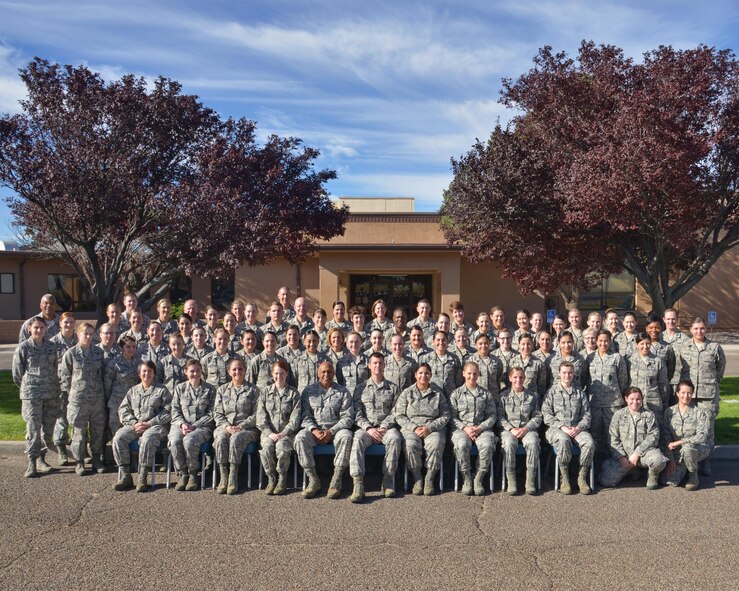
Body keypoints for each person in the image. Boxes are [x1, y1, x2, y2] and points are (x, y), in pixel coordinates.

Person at [295, 362, 354, 499]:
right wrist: (314, 430)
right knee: (300, 438)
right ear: (318, 374)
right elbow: (304, 415)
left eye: (329, 372)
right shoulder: (308, 391)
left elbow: (348, 417)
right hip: (314, 431)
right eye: (323, 372)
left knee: (346, 436)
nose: (326, 375)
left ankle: (336, 481)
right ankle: (313, 480)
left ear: (334, 374)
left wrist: (331, 431)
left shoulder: (343, 391)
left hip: (335, 430)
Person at [13, 316, 61, 477]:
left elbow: (55, 369)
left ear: (46, 329)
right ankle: (32, 462)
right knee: (33, 429)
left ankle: (42, 459)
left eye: (42, 327)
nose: (39, 330)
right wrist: (29, 386)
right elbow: (17, 374)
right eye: (36, 328)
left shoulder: (51, 347)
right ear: (29, 329)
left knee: (47, 429)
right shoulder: (24, 348)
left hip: (50, 394)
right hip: (32, 395)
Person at [111, 360, 171, 492]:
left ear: (154, 373)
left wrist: (149, 423)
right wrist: (134, 423)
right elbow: (123, 410)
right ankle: (126, 476)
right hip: (136, 425)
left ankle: (142, 477)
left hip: (156, 426)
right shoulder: (133, 391)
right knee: (118, 438)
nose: (147, 373)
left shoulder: (162, 390)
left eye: (150, 371)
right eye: (144, 371)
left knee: (147, 439)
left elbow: (168, 411)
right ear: (139, 373)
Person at [349, 352, 402, 501]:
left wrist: (384, 427)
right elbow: (357, 413)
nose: (377, 366)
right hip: (367, 429)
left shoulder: (393, 388)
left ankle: (388, 480)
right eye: (374, 363)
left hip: (386, 429)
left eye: (380, 363)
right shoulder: (361, 388)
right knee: (357, 439)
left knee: (395, 438)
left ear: (384, 365)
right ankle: (358, 483)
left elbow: (396, 412)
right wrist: (369, 429)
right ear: (369, 365)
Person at [677, 317, 725, 475]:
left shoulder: (714, 347)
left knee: (708, 429)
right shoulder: (684, 347)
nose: (699, 331)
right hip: (688, 396)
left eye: (702, 328)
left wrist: (710, 383)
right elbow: (678, 368)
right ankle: (690, 460)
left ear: (706, 329)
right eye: (696, 328)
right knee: (690, 428)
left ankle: (706, 460)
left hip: (707, 396)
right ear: (690, 330)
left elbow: (720, 369)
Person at [394, 363, 451, 496]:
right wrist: (414, 428)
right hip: (412, 428)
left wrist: (430, 428)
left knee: (436, 444)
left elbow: (446, 415)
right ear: (415, 375)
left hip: (432, 428)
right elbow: (399, 415)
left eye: (426, 373)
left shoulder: (437, 393)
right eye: (420, 373)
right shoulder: (407, 393)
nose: (423, 376)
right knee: (410, 444)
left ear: (430, 375)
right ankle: (418, 477)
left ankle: (429, 478)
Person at [599, 387, 667, 490]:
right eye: (632, 399)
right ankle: (632, 471)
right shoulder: (619, 415)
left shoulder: (648, 415)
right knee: (606, 481)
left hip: (643, 455)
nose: (635, 402)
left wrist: (637, 453)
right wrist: (621, 457)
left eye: (638, 399)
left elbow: (653, 436)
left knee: (659, 460)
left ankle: (652, 476)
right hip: (624, 457)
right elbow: (613, 439)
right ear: (626, 399)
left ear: (642, 399)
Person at [542, 362, 594, 495]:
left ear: (573, 374)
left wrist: (578, 428)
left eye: (570, 373)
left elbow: (587, 414)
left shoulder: (579, 392)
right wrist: (562, 427)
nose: (567, 375)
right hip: (556, 429)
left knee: (589, 443)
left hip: (577, 428)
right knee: (563, 441)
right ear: (559, 374)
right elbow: (546, 415)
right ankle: (564, 477)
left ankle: (581, 478)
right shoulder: (552, 392)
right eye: (564, 372)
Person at [60, 322, 106, 476]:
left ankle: (96, 459)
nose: (88, 337)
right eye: (85, 333)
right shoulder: (71, 354)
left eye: (91, 334)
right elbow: (65, 378)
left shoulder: (99, 353)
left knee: (97, 431)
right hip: (78, 401)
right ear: (78, 334)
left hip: (97, 400)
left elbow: (103, 374)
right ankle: (79, 461)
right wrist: (74, 393)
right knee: (79, 434)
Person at [449, 361, 498, 496]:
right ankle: (467, 478)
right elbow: (451, 416)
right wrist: (465, 428)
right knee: (462, 444)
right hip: (462, 429)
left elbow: (492, 415)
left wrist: (480, 428)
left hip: (482, 429)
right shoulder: (456, 394)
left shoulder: (486, 394)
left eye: (475, 373)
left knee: (487, 445)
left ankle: (478, 478)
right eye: (469, 373)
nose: (472, 376)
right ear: (463, 374)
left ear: (479, 375)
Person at [212, 358, 260, 495]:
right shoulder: (222, 390)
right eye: (234, 369)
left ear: (245, 371)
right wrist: (227, 426)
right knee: (221, 438)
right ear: (229, 372)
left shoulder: (253, 390)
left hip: (247, 429)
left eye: (240, 369)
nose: (237, 372)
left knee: (236, 438)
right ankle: (223, 475)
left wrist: (241, 426)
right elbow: (217, 413)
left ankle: (233, 476)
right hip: (225, 427)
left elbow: (257, 414)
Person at [168, 359, 216, 491]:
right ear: (185, 372)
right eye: (192, 371)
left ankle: (193, 474)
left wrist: (194, 425)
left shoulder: (210, 390)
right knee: (174, 441)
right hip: (180, 425)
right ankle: (183, 474)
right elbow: (175, 410)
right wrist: (182, 424)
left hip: (202, 427)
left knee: (189, 441)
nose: (195, 374)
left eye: (198, 371)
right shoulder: (180, 388)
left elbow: (212, 413)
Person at [257, 360, 302, 495]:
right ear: (272, 374)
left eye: (282, 373)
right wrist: (269, 433)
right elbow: (260, 417)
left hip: (287, 433)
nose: (279, 376)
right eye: (276, 373)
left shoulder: (294, 394)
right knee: (266, 448)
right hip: (268, 432)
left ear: (286, 374)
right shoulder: (265, 393)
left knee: (282, 448)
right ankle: (271, 478)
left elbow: (295, 420)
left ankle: (282, 478)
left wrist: (283, 433)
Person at [498, 367, 543, 495]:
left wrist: (526, 428)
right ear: (510, 378)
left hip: (527, 429)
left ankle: (530, 480)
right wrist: (511, 429)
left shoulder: (532, 396)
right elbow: (500, 417)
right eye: (515, 377)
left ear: (524, 378)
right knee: (509, 444)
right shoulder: (503, 396)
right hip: (509, 430)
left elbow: (537, 416)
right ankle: (511, 480)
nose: (518, 380)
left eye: (521, 377)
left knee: (533, 443)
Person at [584, 329, 629, 455]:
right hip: (595, 404)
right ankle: (596, 467)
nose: (603, 343)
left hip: (613, 404)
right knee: (595, 436)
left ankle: (614, 464)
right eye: (600, 341)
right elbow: (586, 379)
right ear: (596, 341)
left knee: (613, 436)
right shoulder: (590, 358)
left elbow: (623, 381)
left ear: (610, 342)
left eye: (606, 341)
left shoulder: (617, 358)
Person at [661, 380, 711, 491]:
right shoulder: (669, 412)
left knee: (688, 449)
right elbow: (666, 438)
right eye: (683, 392)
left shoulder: (700, 413)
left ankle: (693, 476)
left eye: (689, 393)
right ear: (677, 393)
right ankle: (684, 467)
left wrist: (681, 442)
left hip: (698, 449)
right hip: (676, 451)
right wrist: (670, 460)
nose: (686, 396)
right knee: (668, 481)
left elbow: (702, 436)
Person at [49, 311, 77, 464]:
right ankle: (61, 450)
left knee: (77, 418)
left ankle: (78, 447)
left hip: (77, 386)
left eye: (71, 322)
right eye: (66, 322)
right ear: (60, 323)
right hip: (60, 386)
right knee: (61, 418)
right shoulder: (53, 343)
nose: (68, 325)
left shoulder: (80, 340)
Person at [629, 333, 669, 427]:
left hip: (653, 403)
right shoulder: (630, 360)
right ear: (637, 344)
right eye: (642, 344)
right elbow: (625, 381)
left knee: (655, 429)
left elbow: (663, 385)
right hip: (635, 403)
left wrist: (663, 402)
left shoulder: (658, 361)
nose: (645, 346)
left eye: (647, 343)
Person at [103, 335, 140, 436]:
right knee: (115, 428)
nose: (131, 349)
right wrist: (109, 398)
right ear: (121, 348)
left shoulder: (139, 363)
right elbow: (107, 384)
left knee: (131, 428)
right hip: (117, 402)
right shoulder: (114, 364)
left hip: (133, 402)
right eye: (128, 347)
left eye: (133, 346)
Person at [422, 330, 463, 398]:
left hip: (450, 397)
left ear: (447, 342)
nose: (441, 342)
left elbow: (458, 380)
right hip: (433, 396)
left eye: (443, 340)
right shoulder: (426, 359)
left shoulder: (454, 358)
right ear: (433, 342)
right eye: (438, 340)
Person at [514, 333, 547, 398]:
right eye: (523, 344)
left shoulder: (539, 364)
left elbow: (542, 388)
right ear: (519, 345)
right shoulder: (512, 362)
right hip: (515, 400)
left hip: (532, 401)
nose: (526, 347)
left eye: (528, 344)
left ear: (532, 345)